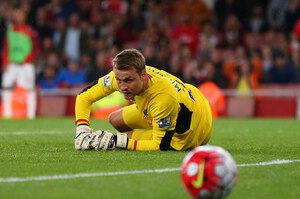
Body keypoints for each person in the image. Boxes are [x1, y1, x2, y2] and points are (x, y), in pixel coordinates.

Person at [75, 48, 212, 151]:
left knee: (124, 140)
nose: (122, 86)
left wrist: (117, 142)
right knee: (114, 119)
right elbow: (84, 96)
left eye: (128, 80)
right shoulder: (121, 76)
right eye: (119, 80)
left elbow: (160, 145)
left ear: (143, 75)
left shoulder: (163, 98)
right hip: (185, 99)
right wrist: (81, 129)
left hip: (193, 129)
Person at [1, 7, 39, 119]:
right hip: (12, 63)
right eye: (17, 14)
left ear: (25, 16)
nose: (18, 17)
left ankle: (30, 115)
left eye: (21, 14)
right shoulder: (10, 30)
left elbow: (35, 48)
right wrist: (5, 62)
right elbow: (6, 48)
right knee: (6, 87)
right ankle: (7, 113)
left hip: (26, 64)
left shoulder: (29, 31)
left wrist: (29, 59)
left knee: (30, 89)